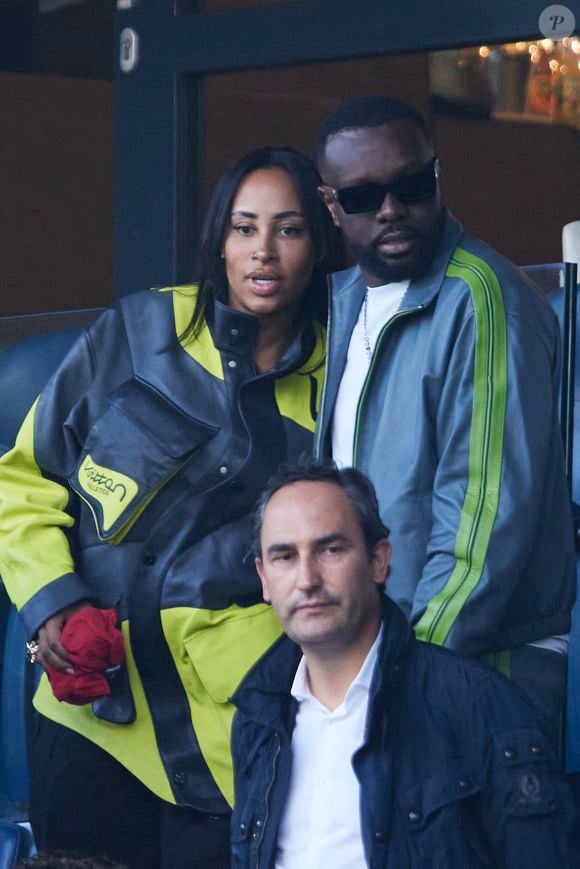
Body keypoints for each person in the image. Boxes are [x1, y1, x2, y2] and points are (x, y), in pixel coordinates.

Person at [0, 146, 336, 869]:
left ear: (320, 244)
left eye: (290, 229)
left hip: (226, 736)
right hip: (88, 713)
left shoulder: (338, 387)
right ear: (219, 238)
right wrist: (53, 603)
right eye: (245, 228)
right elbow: (22, 480)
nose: (263, 252)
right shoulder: (140, 332)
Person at [312, 94, 575, 736]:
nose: (391, 209)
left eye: (411, 184)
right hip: (376, 669)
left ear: (438, 175)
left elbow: (482, 525)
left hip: (472, 677)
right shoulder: (342, 305)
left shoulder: (480, 301)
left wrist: (405, 675)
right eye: (362, 197)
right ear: (330, 205)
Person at [231, 461, 576, 869]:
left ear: (379, 561)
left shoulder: (479, 703)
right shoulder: (257, 717)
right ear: (264, 580)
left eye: (330, 549)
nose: (307, 579)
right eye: (284, 556)